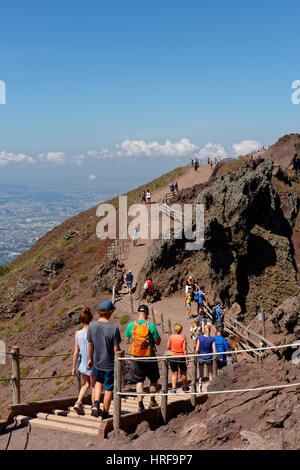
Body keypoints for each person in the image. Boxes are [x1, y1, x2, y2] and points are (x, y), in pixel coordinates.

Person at [87, 300, 121, 419]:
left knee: (98, 382)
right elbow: (116, 349)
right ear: (110, 312)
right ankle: (105, 414)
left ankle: (96, 404)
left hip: (97, 361)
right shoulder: (114, 328)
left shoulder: (92, 325)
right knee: (109, 388)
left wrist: (90, 359)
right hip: (110, 364)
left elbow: (90, 344)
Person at [125, 304, 161, 411]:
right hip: (150, 357)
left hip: (136, 357)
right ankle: (152, 400)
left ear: (137, 313)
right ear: (147, 314)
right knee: (153, 379)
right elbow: (158, 342)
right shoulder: (151, 326)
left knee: (139, 381)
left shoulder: (131, 325)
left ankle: (140, 403)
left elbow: (127, 341)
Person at [72, 307, 95, 415]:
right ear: (91, 318)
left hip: (82, 362)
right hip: (93, 361)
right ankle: (95, 407)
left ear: (81, 320)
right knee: (94, 385)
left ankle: (78, 402)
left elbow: (76, 351)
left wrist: (73, 367)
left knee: (86, 384)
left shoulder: (78, 333)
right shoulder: (94, 331)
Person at [167, 324, 189, 393]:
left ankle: (174, 388)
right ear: (181, 330)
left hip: (173, 356)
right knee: (183, 372)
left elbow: (168, 347)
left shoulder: (171, 337)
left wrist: (172, 349)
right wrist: (186, 358)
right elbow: (184, 348)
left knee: (174, 373)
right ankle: (185, 386)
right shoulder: (183, 337)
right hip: (181, 356)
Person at [195, 324, 217, 392]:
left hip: (201, 357)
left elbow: (197, 349)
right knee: (210, 374)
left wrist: (196, 354)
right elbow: (214, 350)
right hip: (209, 358)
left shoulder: (200, 338)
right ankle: (211, 388)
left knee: (201, 374)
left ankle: (199, 388)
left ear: (204, 330)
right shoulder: (212, 338)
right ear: (210, 330)